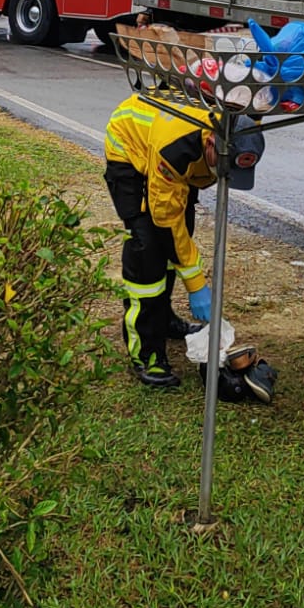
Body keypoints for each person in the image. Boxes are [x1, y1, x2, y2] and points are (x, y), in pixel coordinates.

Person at [103, 92, 265, 388]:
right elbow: (165, 220)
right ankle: (146, 352)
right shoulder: (176, 148)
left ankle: (162, 319)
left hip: (181, 168)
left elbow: (177, 228)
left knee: (180, 233)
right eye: (225, 166)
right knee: (148, 248)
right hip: (132, 153)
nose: (225, 175)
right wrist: (197, 284)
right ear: (210, 145)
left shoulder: (237, 129)